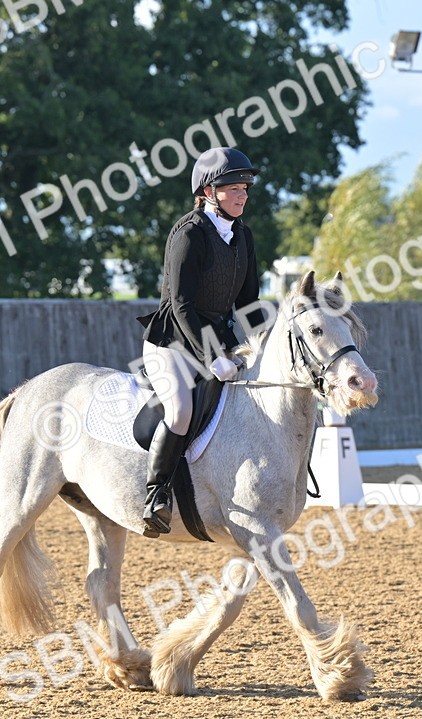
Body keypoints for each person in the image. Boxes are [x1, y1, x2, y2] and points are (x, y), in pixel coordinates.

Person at [135, 147, 265, 536]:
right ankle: (155, 496)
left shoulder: (243, 236)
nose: (242, 194)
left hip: (217, 340)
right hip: (172, 340)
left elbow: (249, 303)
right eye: (233, 187)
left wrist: (262, 342)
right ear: (209, 191)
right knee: (179, 412)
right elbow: (182, 304)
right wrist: (213, 356)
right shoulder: (189, 233)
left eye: (245, 186)